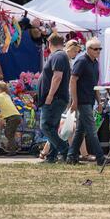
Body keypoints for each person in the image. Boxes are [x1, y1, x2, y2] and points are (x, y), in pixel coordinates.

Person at [66, 38, 108, 166]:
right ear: (88, 49)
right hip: (82, 100)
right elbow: (72, 80)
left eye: (99, 49)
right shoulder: (81, 61)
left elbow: (95, 84)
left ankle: (71, 156)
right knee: (91, 129)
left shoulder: (95, 62)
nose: (98, 51)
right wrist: (74, 100)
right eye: (96, 49)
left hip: (89, 100)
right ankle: (100, 158)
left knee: (81, 130)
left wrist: (99, 102)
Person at [37, 34, 71, 164]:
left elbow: (57, 77)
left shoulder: (58, 56)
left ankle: (65, 149)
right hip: (57, 98)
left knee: (45, 126)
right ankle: (51, 156)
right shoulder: (60, 56)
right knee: (52, 127)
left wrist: (50, 96)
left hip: (55, 98)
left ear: (49, 43)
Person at [0, 81, 22, 155]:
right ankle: (15, 148)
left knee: (8, 133)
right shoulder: (6, 95)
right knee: (11, 134)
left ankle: (13, 151)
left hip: (12, 117)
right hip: (16, 116)